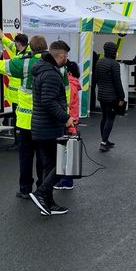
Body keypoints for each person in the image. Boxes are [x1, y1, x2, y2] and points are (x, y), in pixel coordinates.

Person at [0, 34, 47, 199]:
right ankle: (43, 189)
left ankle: (25, 189)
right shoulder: (56, 63)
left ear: (31, 47)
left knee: (26, 157)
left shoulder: (24, 63)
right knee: (44, 158)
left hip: (26, 121)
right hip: (46, 122)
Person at [29, 41, 74, 216]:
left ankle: (47, 204)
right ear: (61, 56)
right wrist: (66, 117)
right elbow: (48, 101)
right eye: (66, 56)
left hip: (41, 127)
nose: (67, 59)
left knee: (49, 166)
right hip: (49, 127)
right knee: (62, 165)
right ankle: (41, 193)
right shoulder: (51, 74)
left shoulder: (42, 69)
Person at [0, 31, 30, 148]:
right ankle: (20, 142)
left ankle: (19, 143)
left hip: (20, 96)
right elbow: (10, 44)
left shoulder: (23, 56)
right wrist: (2, 37)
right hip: (16, 96)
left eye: (16, 43)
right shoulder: (21, 49)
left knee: (19, 121)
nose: (14, 45)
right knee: (19, 120)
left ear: (19, 43)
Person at [55, 60, 82, 191]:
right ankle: (65, 180)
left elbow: (67, 105)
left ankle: (66, 181)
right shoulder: (73, 83)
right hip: (72, 122)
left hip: (68, 122)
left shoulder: (69, 84)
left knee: (65, 152)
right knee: (67, 151)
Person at [93, 41, 125, 151]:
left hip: (101, 94)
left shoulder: (99, 62)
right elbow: (117, 82)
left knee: (104, 117)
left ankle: (105, 139)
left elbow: (96, 78)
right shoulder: (114, 64)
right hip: (112, 96)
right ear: (114, 51)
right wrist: (122, 96)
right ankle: (103, 142)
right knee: (110, 118)